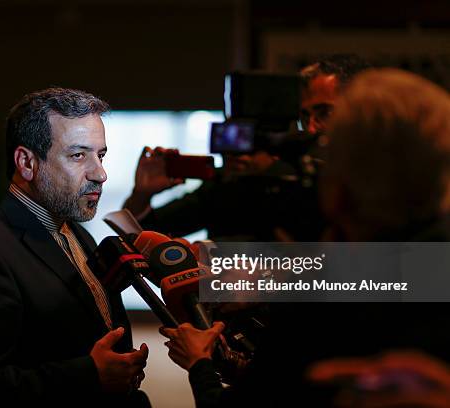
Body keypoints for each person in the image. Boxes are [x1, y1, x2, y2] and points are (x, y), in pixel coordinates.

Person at [160, 69, 450, 407]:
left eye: (328, 119)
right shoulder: (424, 260)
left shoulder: (327, 305)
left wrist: (200, 365)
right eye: (305, 117)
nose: (312, 131)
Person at [0, 88, 150, 407]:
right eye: (78, 155)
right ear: (27, 163)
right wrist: (89, 375)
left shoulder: (73, 230)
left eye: (100, 155)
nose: (100, 173)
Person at [123, 55, 370, 241]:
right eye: (304, 116)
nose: (311, 128)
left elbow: (388, 276)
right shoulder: (240, 177)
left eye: (325, 113)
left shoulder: (381, 183)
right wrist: (142, 194)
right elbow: (140, 238)